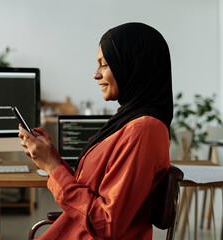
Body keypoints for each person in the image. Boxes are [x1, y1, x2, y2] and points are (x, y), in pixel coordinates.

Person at [19, 22, 173, 240]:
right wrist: (52, 158)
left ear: (132, 65)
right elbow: (91, 189)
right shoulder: (129, 122)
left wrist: (53, 168)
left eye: (105, 65)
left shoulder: (143, 130)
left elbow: (106, 224)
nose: (95, 74)